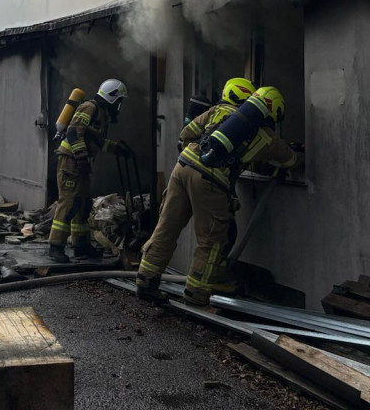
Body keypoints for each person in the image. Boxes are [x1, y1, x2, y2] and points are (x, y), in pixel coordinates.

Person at [136, 80, 303, 305]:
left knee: (167, 226)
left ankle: (146, 281)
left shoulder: (218, 110)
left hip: (182, 166)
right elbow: (291, 160)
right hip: (210, 179)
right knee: (212, 240)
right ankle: (196, 295)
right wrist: (299, 154)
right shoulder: (267, 137)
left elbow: (185, 134)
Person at [47, 78, 128, 264]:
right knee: (68, 203)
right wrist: (82, 157)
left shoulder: (102, 114)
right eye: (119, 101)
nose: (119, 106)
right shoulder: (89, 108)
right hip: (71, 162)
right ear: (111, 97)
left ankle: (81, 246)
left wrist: (118, 149)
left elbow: (97, 142)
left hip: (80, 162)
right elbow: (74, 133)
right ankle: (56, 247)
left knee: (82, 205)